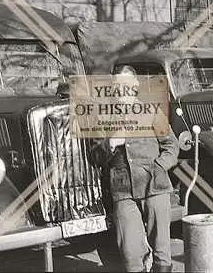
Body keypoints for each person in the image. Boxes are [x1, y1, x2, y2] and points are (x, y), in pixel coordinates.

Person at [90, 65, 179, 272]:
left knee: (162, 249)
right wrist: (110, 144)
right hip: (122, 189)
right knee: (130, 250)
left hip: (154, 185)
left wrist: (159, 167)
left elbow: (171, 145)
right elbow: (95, 156)